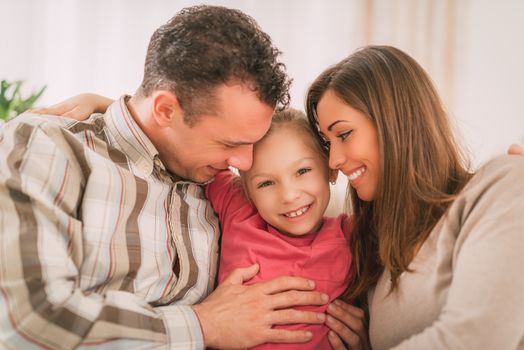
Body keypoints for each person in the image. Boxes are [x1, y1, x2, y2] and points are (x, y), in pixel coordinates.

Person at [0, 6, 331, 349]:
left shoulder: (215, 184)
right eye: (230, 143)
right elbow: (27, 318)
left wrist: (340, 312)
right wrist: (204, 324)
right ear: (165, 110)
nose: (244, 164)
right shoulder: (51, 148)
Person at [306, 45, 524, 349]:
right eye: (329, 144)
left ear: (394, 123)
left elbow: (476, 339)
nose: (334, 161)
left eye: (343, 135)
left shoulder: (504, 184)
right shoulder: (375, 255)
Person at [205, 108, 354, 349]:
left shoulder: (350, 235)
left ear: (331, 168)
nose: (288, 195)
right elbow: (197, 149)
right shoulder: (239, 208)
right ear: (247, 190)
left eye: (302, 171)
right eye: (265, 183)